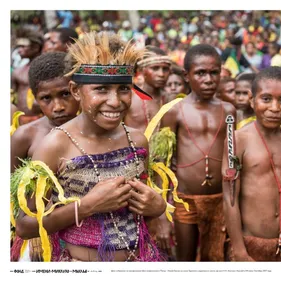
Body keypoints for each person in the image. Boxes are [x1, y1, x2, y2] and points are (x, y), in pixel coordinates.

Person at [14, 32, 167, 262]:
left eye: (123, 89)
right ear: (76, 91)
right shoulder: (55, 145)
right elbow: (25, 226)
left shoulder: (137, 141)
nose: (115, 101)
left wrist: (157, 206)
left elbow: (142, 210)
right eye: (101, 89)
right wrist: (87, 206)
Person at [222, 67, 281, 261]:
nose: (275, 108)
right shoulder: (238, 139)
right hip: (250, 245)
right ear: (252, 101)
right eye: (266, 99)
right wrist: (240, 250)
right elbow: (230, 199)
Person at [161, 44, 236, 261]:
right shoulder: (175, 111)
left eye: (214, 73)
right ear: (187, 76)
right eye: (200, 73)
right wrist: (163, 209)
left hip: (221, 199)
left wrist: (234, 199)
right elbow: (162, 162)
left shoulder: (228, 110)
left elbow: (232, 156)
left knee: (216, 257)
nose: (209, 79)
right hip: (185, 199)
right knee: (185, 258)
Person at [11, 51, 80, 173]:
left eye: (65, 94)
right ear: (35, 98)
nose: (58, 107)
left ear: (77, 90)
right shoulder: (25, 136)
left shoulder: (94, 129)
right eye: (46, 98)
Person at [124, 46, 172, 133]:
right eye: (155, 68)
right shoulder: (128, 98)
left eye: (165, 69)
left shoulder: (171, 100)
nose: (161, 74)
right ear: (141, 70)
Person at [11, 28, 44, 124]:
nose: (19, 50)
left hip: (42, 119)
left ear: (36, 47)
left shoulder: (46, 69)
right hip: (21, 119)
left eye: (23, 46)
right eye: (18, 47)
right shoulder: (18, 71)